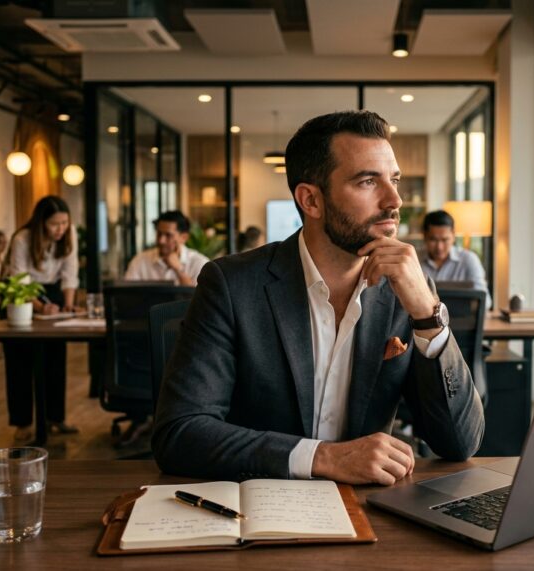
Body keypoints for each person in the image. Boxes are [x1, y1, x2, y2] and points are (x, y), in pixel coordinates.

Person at [153, 111, 484, 485]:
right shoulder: (231, 285)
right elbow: (180, 433)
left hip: (371, 513)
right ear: (310, 200)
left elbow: (459, 443)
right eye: (367, 181)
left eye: (393, 180)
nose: (394, 199)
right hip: (260, 505)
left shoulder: (409, 289)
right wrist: (324, 458)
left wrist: (427, 313)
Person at [3, 196, 80, 441]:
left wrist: (68, 304)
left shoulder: (69, 235)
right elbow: (20, 279)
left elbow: (70, 273)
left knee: (56, 357)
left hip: (53, 292)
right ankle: (23, 423)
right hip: (23, 294)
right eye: (54, 224)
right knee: (20, 360)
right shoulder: (23, 239)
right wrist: (39, 306)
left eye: (64, 223)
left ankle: (56, 418)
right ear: (41, 223)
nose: (61, 229)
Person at [419, 210, 491, 308]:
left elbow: (485, 301)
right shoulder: (414, 260)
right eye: (433, 240)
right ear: (424, 236)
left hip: (462, 320)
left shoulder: (469, 260)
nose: (439, 247)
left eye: (445, 240)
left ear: (453, 236)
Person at [124, 211, 209, 285]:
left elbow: (198, 300)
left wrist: (178, 270)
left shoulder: (200, 263)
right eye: (159, 234)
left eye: (168, 235)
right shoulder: (140, 260)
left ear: (184, 238)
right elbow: (127, 295)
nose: (161, 241)